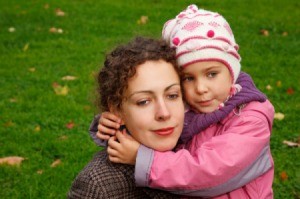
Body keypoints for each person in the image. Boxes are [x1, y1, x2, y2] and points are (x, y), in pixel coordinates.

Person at [96, 5, 275, 198]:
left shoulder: (250, 119)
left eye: (212, 74)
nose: (201, 88)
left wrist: (143, 159)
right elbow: (148, 119)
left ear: (232, 70)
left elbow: (209, 172)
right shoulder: (191, 105)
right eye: (189, 78)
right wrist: (115, 124)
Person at [68, 37, 184, 198]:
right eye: (143, 102)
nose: (164, 113)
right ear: (117, 110)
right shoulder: (100, 186)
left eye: (172, 96)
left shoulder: (206, 147)